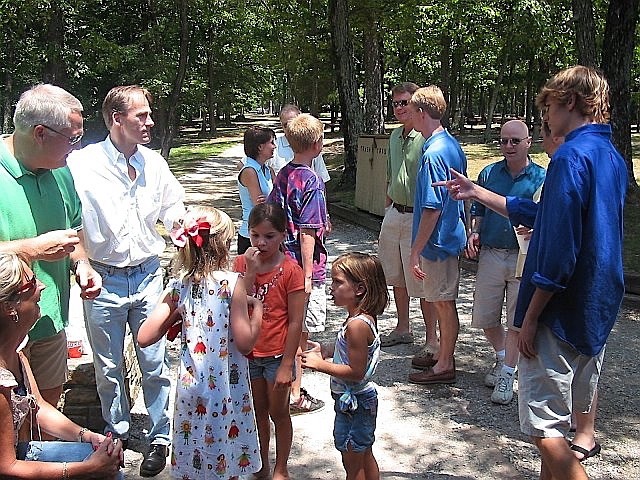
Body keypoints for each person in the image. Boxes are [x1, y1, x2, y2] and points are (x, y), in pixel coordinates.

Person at [67, 85, 186, 477]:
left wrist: (181, 229)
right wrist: (81, 263)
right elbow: (69, 218)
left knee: (155, 362)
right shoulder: (82, 165)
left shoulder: (154, 163)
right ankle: (114, 436)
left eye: (149, 114)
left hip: (150, 274)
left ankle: (159, 438)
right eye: (142, 116)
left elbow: (172, 207)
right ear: (117, 119)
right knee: (108, 365)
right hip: (102, 279)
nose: (150, 122)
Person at [0, 84, 102, 421]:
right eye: (72, 138)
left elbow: (74, 227)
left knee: (39, 420)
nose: (77, 147)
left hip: (49, 323)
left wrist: (82, 263)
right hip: (4, 327)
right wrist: (30, 249)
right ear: (40, 133)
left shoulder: (60, 171)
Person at [138, 206, 262, 480]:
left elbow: (145, 336)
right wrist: (259, 312)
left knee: (193, 457)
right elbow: (244, 344)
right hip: (226, 391)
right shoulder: (232, 284)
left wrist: (178, 315)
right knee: (223, 456)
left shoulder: (178, 285)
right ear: (224, 245)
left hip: (190, 388)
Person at [0, 251, 123, 479]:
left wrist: (87, 436)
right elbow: (7, 466)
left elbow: (38, 409)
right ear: (10, 307)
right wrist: (88, 468)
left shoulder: (15, 353)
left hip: (17, 459)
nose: (42, 286)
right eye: (32, 282)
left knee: (108, 465)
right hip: (10, 467)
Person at [466, 120, 545, 404]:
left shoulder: (541, 177)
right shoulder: (489, 173)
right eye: (503, 141)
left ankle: (508, 374)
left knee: (516, 320)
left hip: (523, 257)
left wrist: (536, 231)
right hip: (491, 252)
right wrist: (474, 231)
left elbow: (547, 216)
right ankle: (502, 357)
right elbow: (478, 207)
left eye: (515, 141)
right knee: (485, 317)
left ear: (528, 142)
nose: (508, 146)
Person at [233, 203, 306, 480]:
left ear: (283, 234)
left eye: (269, 236)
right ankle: (260, 464)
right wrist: (250, 271)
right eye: (255, 236)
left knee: (279, 412)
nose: (261, 243)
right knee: (257, 413)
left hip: (277, 355)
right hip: (250, 355)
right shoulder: (241, 264)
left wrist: (289, 363)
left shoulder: (291, 270)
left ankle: (281, 467)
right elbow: (240, 302)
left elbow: (296, 321)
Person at [300, 252, 388, 480]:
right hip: (358, 399)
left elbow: (356, 372)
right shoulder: (360, 318)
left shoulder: (356, 326)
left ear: (359, 289)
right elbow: (352, 353)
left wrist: (320, 365)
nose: (331, 287)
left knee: (352, 461)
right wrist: (328, 349)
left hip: (355, 401)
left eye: (338, 282)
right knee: (364, 453)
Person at [267, 113, 328, 414]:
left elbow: (273, 215)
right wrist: (307, 275)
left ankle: (286, 386)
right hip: (302, 268)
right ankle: (293, 392)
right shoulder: (312, 181)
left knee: (288, 326)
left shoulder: (283, 174)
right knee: (300, 330)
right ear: (317, 144)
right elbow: (307, 231)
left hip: (281, 263)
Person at [406, 85, 467, 385]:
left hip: (438, 241)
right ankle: (443, 356)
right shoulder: (452, 145)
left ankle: (444, 364)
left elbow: (432, 208)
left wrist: (415, 249)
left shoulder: (433, 153)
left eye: (412, 111)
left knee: (443, 302)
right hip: (449, 237)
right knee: (443, 300)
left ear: (421, 112)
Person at [377, 82, 439, 359]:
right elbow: (391, 175)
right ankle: (403, 328)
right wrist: (387, 208)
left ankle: (431, 339)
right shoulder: (393, 137)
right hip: (395, 214)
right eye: (396, 103)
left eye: (405, 103)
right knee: (396, 275)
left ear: (417, 106)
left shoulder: (426, 138)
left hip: (417, 215)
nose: (400, 108)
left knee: (421, 280)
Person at [237, 126, 276, 254]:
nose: (274, 146)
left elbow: (280, 197)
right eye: (271, 142)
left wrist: (271, 201)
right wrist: (273, 201)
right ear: (260, 147)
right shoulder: (249, 171)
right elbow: (259, 207)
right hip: (251, 237)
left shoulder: (268, 170)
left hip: (268, 234)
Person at [271, 104, 331, 183]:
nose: (290, 128)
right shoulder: (273, 147)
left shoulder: (311, 146)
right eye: (286, 125)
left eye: (294, 123)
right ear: (282, 125)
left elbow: (322, 177)